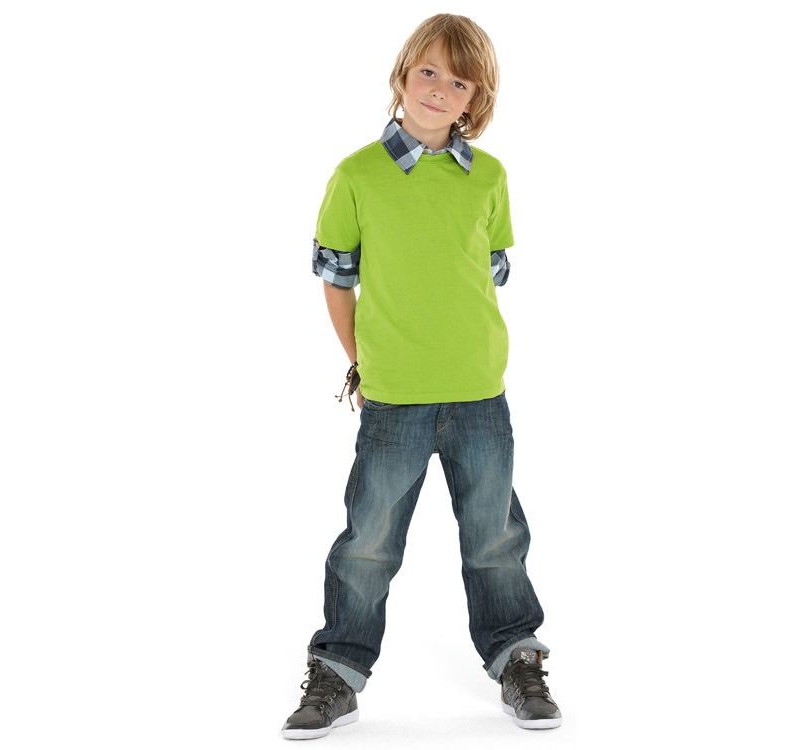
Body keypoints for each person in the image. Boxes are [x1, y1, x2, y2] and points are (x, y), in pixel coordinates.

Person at [282, 13, 561, 740]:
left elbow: (487, 272)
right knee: (368, 542)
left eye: (459, 82)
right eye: (428, 71)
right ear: (403, 74)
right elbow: (337, 278)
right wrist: (362, 361)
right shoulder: (357, 175)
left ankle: (516, 656)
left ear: (476, 98)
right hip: (394, 397)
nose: (439, 89)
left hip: (479, 392)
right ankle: (337, 671)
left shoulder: (489, 177)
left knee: (495, 537)